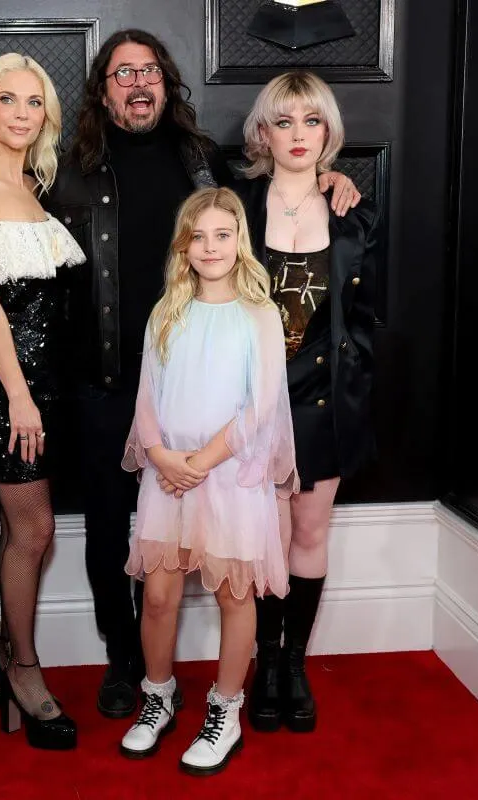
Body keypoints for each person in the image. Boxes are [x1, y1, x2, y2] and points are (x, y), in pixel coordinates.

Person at [0, 29, 360, 719]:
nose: (137, 82)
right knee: (115, 532)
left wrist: (329, 176)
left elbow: (258, 216)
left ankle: (199, 672)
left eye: (149, 71)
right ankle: (126, 662)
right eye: (121, 73)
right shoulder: (63, 165)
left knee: (198, 534)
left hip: (198, 383)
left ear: (167, 83)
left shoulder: (202, 159)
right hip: (105, 382)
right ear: (103, 89)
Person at [117, 187, 296, 776]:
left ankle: (225, 710)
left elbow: (260, 406)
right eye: (199, 236)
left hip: (229, 476)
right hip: (168, 476)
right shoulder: (167, 310)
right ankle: (158, 696)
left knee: (233, 593)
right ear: (183, 245)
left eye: (223, 235)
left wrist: (201, 461)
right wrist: (164, 456)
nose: (211, 246)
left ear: (239, 240)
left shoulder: (259, 314)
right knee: (161, 595)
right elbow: (147, 394)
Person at [233, 70, 384, 734]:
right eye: (284, 122)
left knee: (309, 533)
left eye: (312, 121)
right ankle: (265, 663)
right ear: (263, 133)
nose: (299, 135)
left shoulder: (356, 211)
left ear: (329, 132)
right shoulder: (234, 204)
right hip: (256, 401)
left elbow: (370, 311)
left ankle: (295, 664)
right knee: (264, 538)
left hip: (327, 397)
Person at [0, 53, 86, 751]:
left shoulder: (37, 185)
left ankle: (12, 651)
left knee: (29, 528)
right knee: (34, 530)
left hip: (49, 380)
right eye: (10, 100)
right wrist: (20, 399)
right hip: (8, 387)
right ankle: (21, 667)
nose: (23, 114)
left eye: (35, 102)